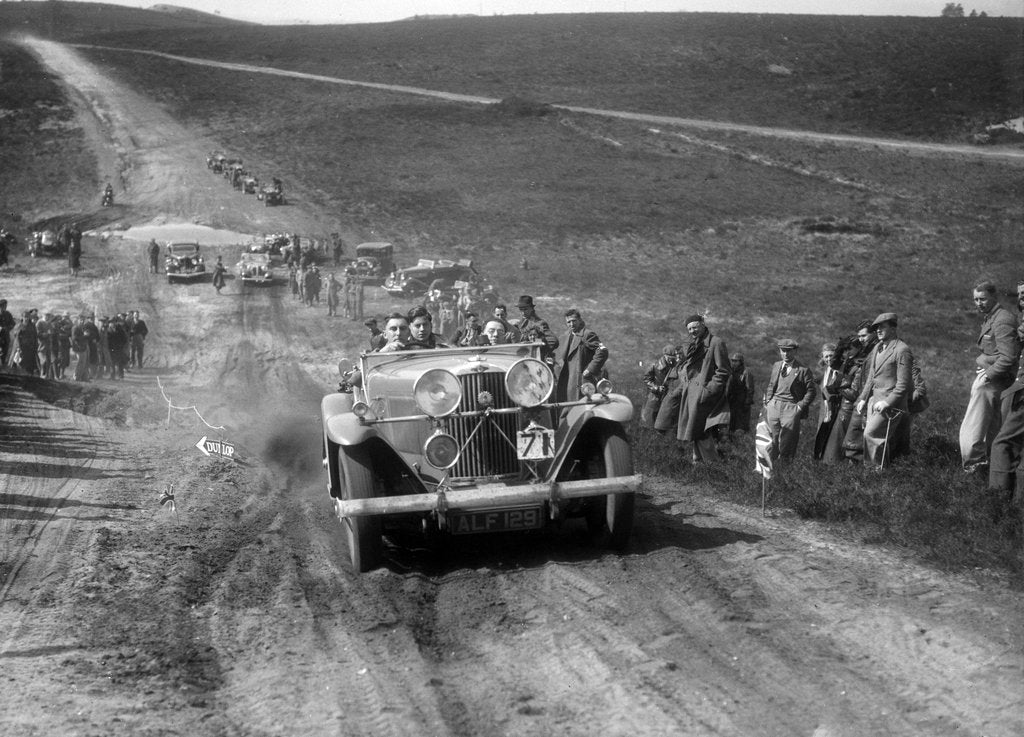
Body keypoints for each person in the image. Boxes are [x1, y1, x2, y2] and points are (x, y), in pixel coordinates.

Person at [959, 281, 1020, 475]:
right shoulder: (991, 318)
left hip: (994, 381)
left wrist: (988, 374)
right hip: (992, 380)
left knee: (974, 426)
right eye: (976, 299)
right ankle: (983, 467)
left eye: (983, 299)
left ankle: (973, 465)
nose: (979, 303)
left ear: (995, 297)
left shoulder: (1002, 320)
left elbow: (1009, 357)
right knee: (990, 426)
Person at [655, 314, 731, 463]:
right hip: (691, 393)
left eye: (695, 327)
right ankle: (699, 463)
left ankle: (712, 464)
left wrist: (708, 390)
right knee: (696, 429)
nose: (692, 331)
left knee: (701, 430)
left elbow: (723, 371)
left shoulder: (716, 342)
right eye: (689, 329)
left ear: (703, 324)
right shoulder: (693, 344)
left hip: (705, 394)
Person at [856, 312, 913, 469]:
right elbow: (871, 377)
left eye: (883, 327)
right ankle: (873, 472)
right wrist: (863, 398)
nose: (878, 331)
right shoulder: (877, 347)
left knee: (871, 434)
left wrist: (887, 402)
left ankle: (877, 472)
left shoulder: (902, 350)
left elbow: (903, 384)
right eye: (877, 328)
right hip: (874, 402)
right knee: (872, 437)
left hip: (890, 406)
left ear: (893, 329)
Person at [762, 339, 817, 464]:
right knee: (771, 439)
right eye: (783, 351)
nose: (786, 354)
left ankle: (785, 469)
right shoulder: (776, 365)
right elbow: (771, 384)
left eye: (789, 351)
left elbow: (811, 391)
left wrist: (799, 407)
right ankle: (771, 468)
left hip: (791, 407)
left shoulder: (803, 370)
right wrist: (768, 402)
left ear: (795, 351)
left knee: (788, 441)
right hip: (774, 405)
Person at [554, 308, 608, 402]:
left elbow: (603, 351)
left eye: (574, 321)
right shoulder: (566, 336)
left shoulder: (587, 334)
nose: (571, 324)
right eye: (568, 322)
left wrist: (590, 369)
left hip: (583, 381)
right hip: (568, 381)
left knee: (583, 406)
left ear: (579, 320)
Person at [812, 343, 843, 460]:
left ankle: (832, 460)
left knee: (834, 436)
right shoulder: (824, 371)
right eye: (826, 356)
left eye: (831, 355)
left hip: (837, 408)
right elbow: (816, 380)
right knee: (822, 432)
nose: (829, 359)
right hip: (825, 409)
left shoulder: (840, 370)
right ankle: (820, 458)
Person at [641, 344, 679, 427]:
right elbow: (646, 379)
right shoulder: (654, 365)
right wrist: (656, 388)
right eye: (669, 358)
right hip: (655, 396)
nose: (671, 360)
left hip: (667, 396)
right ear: (664, 356)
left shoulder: (675, 366)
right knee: (650, 417)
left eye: (673, 358)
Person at [515, 295, 559, 366]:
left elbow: (553, 341)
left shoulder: (539, 323)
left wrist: (539, 350)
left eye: (525, 309)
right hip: (525, 360)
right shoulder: (522, 322)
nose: (523, 312)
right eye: (521, 309)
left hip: (537, 361)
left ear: (531, 308)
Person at [726, 352, 756, 435]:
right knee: (731, 425)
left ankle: (742, 440)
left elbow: (750, 389)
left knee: (741, 426)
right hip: (733, 402)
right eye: (733, 361)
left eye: (736, 361)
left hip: (742, 402)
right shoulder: (731, 372)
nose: (734, 363)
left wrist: (747, 402)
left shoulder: (746, 372)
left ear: (741, 362)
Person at [0, 298, 15, 368]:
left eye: (5, 306)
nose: (5, 307)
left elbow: (13, 323)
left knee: (5, 351)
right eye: (3, 306)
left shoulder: (8, 314)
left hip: (6, 336)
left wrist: (7, 328)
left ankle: (2, 365)